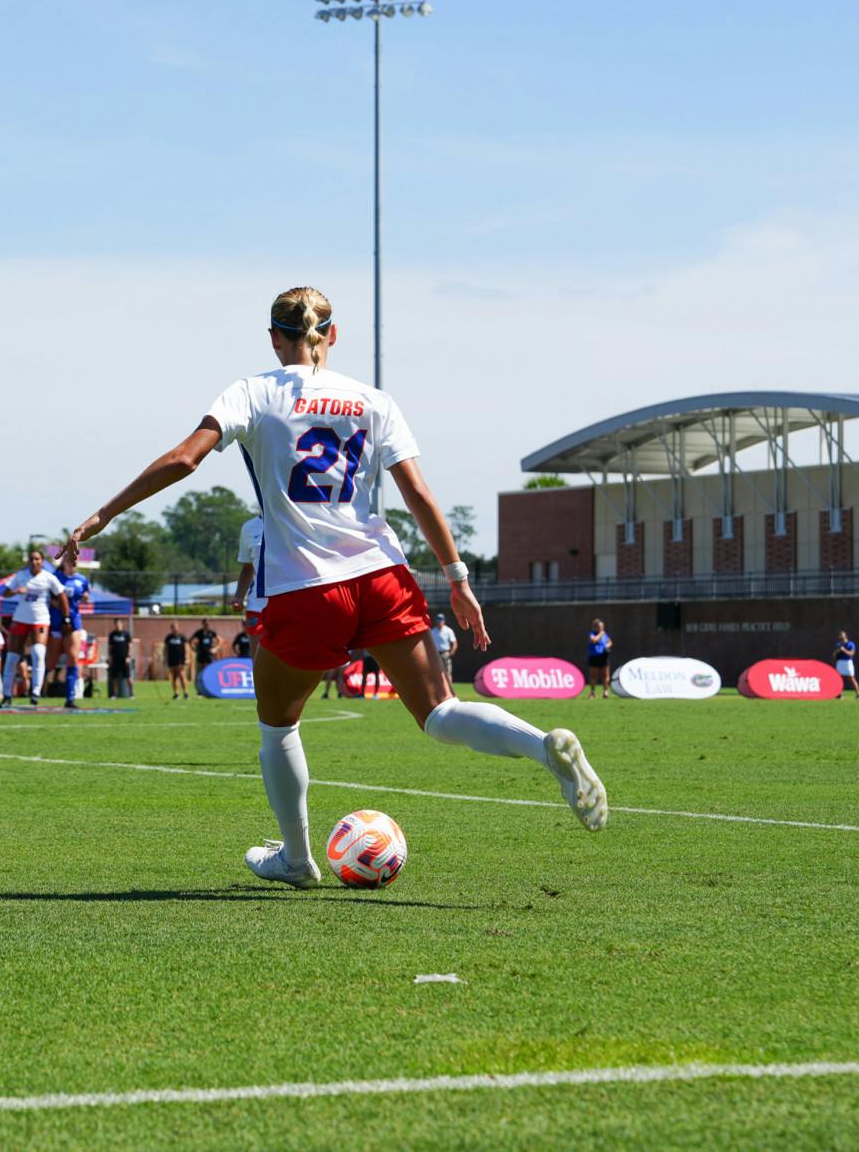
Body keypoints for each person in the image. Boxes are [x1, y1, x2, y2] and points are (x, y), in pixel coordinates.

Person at [64, 286, 605, 888]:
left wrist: (103, 514)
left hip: (305, 585)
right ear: (335, 334)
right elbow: (418, 495)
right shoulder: (374, 399)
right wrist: (458, 579)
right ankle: (542, 747)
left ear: (273, 336)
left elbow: (185, 459)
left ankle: (296, 860)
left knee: (278, 727)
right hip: (381, 574)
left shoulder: (251, 390)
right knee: (440, 711)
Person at [0, 550, 69, 709]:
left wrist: (66, 617)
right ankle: (7, 695)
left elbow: (62, 595)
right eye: (32, 558)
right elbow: (5, 593)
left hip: (40, 619)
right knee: (11, 658)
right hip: (21, 618)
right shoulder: (21, 575)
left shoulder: (48, 577)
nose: (34, 561)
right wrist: (16, 591)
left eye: (37, 559)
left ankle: (35, 693)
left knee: (38, 653)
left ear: (42, 561)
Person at [48, 553, 92, 708]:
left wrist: (85, 597)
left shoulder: (82, 579)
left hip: (74, 622)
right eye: (70, 560)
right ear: (64, 562)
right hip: (56, 622)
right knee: (51, 663)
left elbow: (86, 594)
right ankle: (37, 692)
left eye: (75, 560)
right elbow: (49, 598)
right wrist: (62, 607)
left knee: (73, 658)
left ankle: (70, 698)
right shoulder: (55, 577)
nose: (73, 563)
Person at [231, 515, 263, 615]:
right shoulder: (249, 527)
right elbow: (248, 567)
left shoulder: (294, 522)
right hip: (257, 606)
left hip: (288, 604)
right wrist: (239, 597)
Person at [106, 618, 133, 699]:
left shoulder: (126, 634)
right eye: (116, 624)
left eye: (119, 623)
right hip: (115, 658)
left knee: (128, 677)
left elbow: (130, 646)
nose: (118, 625)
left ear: (122, 624)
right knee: (115, 677)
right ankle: (115, 694)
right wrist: (110, 657)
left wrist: (128, 657)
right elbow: (110, 647)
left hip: (124, 659)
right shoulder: (112, 635)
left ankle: (132, 694)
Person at [586, 619, 613, 698]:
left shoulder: (605, 635)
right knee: (593, 675)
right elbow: (594, 640)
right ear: (595, 627)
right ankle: (592, 692)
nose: (601, 628)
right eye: (599, 627)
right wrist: (601, 634)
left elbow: (610, 642)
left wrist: (608, 645)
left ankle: (605, 692)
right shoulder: (592, 634)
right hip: (594, 656)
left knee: (605, 675)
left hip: (603, 657)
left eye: (602, 627)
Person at [430, 612, 459, 683]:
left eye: (441, 620)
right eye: (438, 620)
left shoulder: (448, 631)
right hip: (435, 654)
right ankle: (438, 691)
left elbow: (454, 643)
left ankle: (450, 691)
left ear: (444, 621)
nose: (439, 621)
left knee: (447, 673)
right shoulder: (432, 631)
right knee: (435, 673)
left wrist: (451, 653)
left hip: (445, 653)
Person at [163, 624, 189, 699]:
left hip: (181, 659)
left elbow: (186, 647)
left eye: (176, 627)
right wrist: (164, 658)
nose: (175, 629)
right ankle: (176, 694)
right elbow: (165, 648)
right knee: (174, 677)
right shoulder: (169, 637)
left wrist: (187, 657)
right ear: (171, 628)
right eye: (173, 628)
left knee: (182, 676)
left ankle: (185, 693)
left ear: (178, 628)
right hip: (171, 659)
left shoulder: (182, 637)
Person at [833, 630, 859, 698]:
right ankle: (839, 695)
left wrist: (844, 650)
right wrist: (838, 651)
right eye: (840, 635)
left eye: (842, 635)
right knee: (838, 678)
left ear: (845, 635)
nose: (841, 636)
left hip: (848, 662)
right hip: (840, 662)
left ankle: (858, 694)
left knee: (851, 678)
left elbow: (852, 653)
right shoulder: (838, 644)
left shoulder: (851, 644)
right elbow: (834, 655)